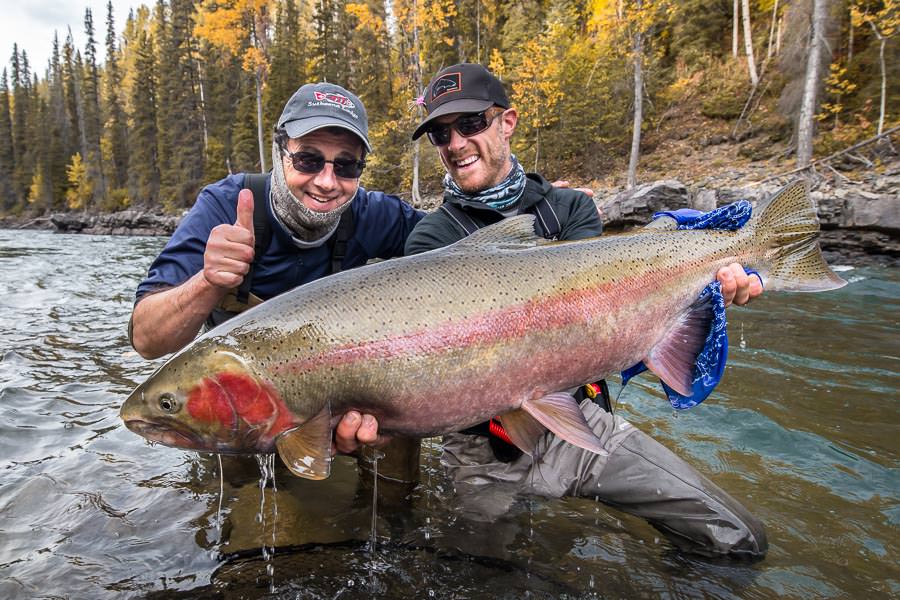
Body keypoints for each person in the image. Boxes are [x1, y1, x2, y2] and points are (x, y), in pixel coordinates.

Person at [338, 63, 768, 559]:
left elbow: (601, 316)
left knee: (740, 539)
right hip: (485, 451)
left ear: (508, 121)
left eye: (471, 124)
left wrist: (702, 284)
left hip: (584, 419)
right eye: (440, 133)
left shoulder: (571, 209)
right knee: (481, 577)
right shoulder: (431, 241)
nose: (455, 144)